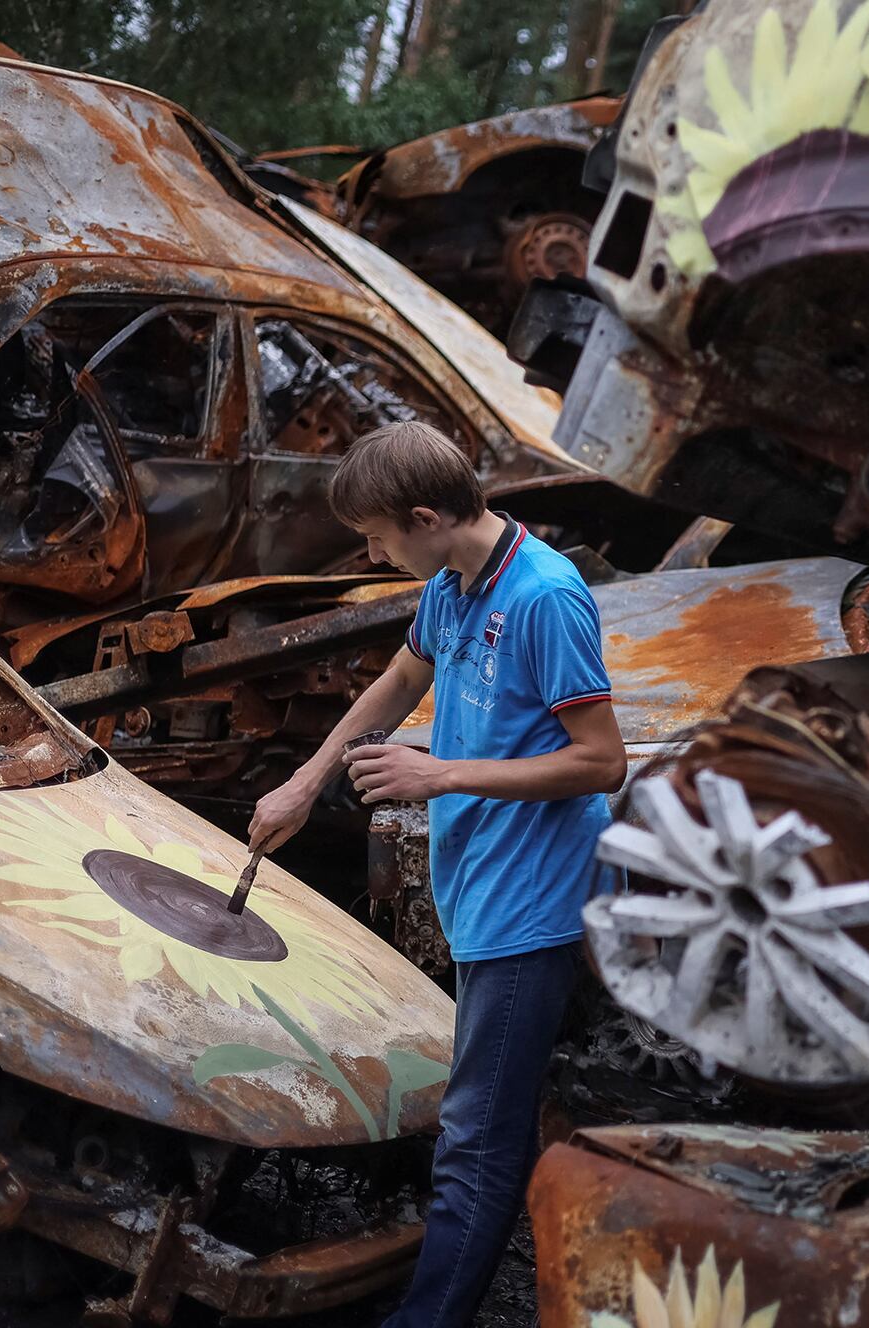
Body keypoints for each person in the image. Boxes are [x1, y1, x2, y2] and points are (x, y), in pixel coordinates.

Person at [248, 420, 627, 1328]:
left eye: (378, 537)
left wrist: (438, 773)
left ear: (426, 516)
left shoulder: (545, 598)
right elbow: (396, 681)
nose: (373, 554)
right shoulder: (454, 584)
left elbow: (602, 761)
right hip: (481, 879)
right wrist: (306, 783)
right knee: (499, 1110)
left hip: (529, 898)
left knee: (477, 1138)